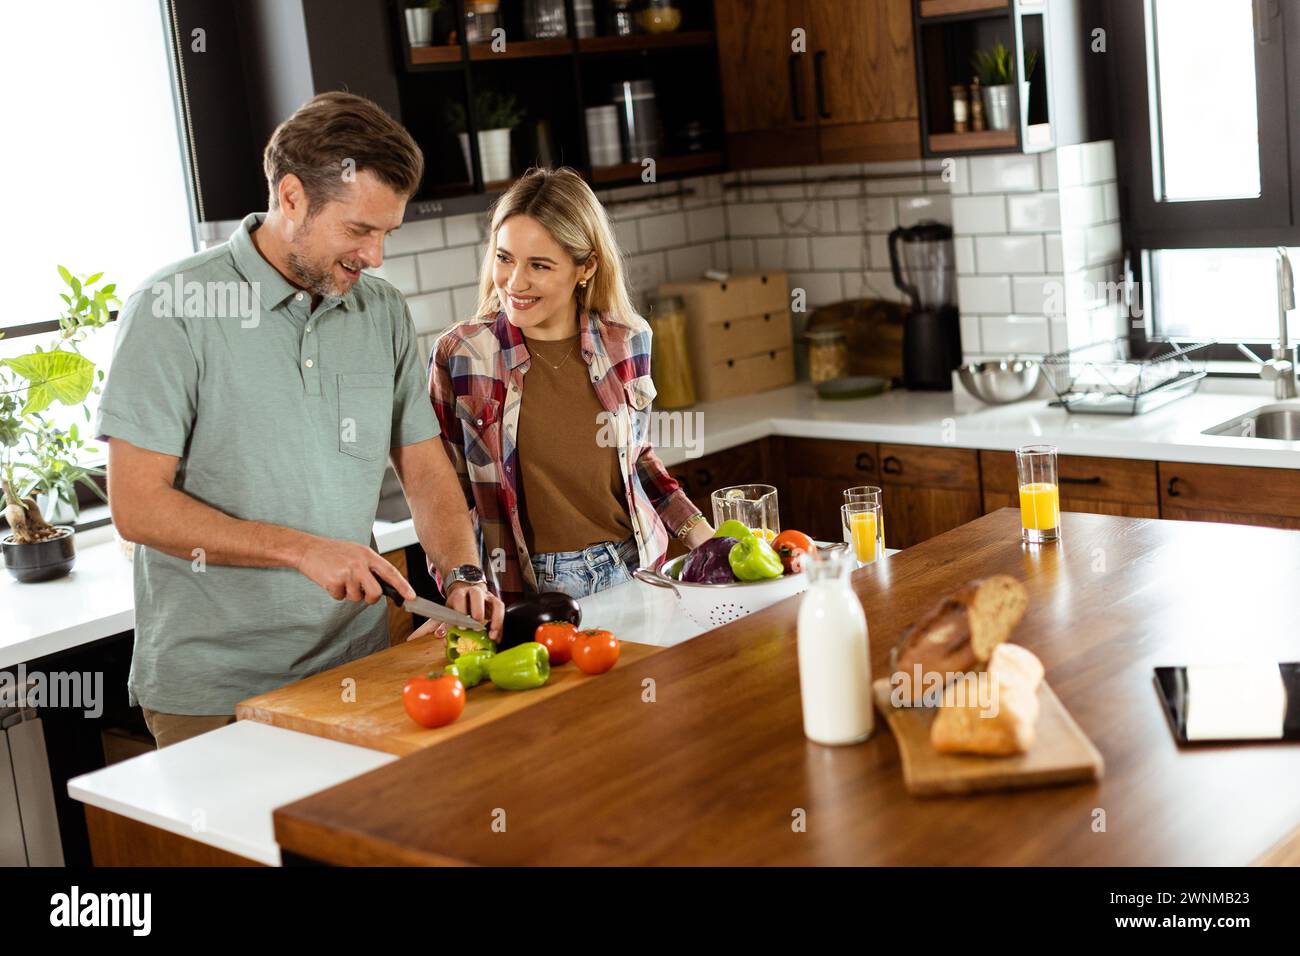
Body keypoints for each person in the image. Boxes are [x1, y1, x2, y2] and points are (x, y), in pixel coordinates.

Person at [98, 92, 503, 748]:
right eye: (359, 230)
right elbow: (137, 508)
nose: (375, 257)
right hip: (216, 689)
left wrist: (460, 573)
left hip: (358, 668)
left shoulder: (381, 312)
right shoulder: (173, 308)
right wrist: (301, 548)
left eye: (386, 233)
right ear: (291, 197)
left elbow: (425, 466)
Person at [429, 167, 715, 605]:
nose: (514, 282)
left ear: (586, 268)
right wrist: (458, 586)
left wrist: (707, 543)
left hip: (636, 570)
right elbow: (444, 491)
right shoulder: (464, 354)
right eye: (505, 258)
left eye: (539, 265)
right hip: (526, 591)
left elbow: (638, 460)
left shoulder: (627, 339)